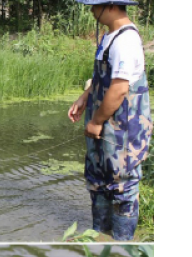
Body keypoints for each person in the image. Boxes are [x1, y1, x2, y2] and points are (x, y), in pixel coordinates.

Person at [68, 0, 153, 241]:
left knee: (122, 185)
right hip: (104, 125)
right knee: (97, 179)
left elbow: (118, 89)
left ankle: (122, 244)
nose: (92, 11)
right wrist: (85, 97)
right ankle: (99, 236)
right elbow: (101, 78)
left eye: (95, 6)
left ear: (112, 6)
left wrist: (95, 121)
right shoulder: (109, 36)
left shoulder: (126, 41)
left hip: (123, 130)